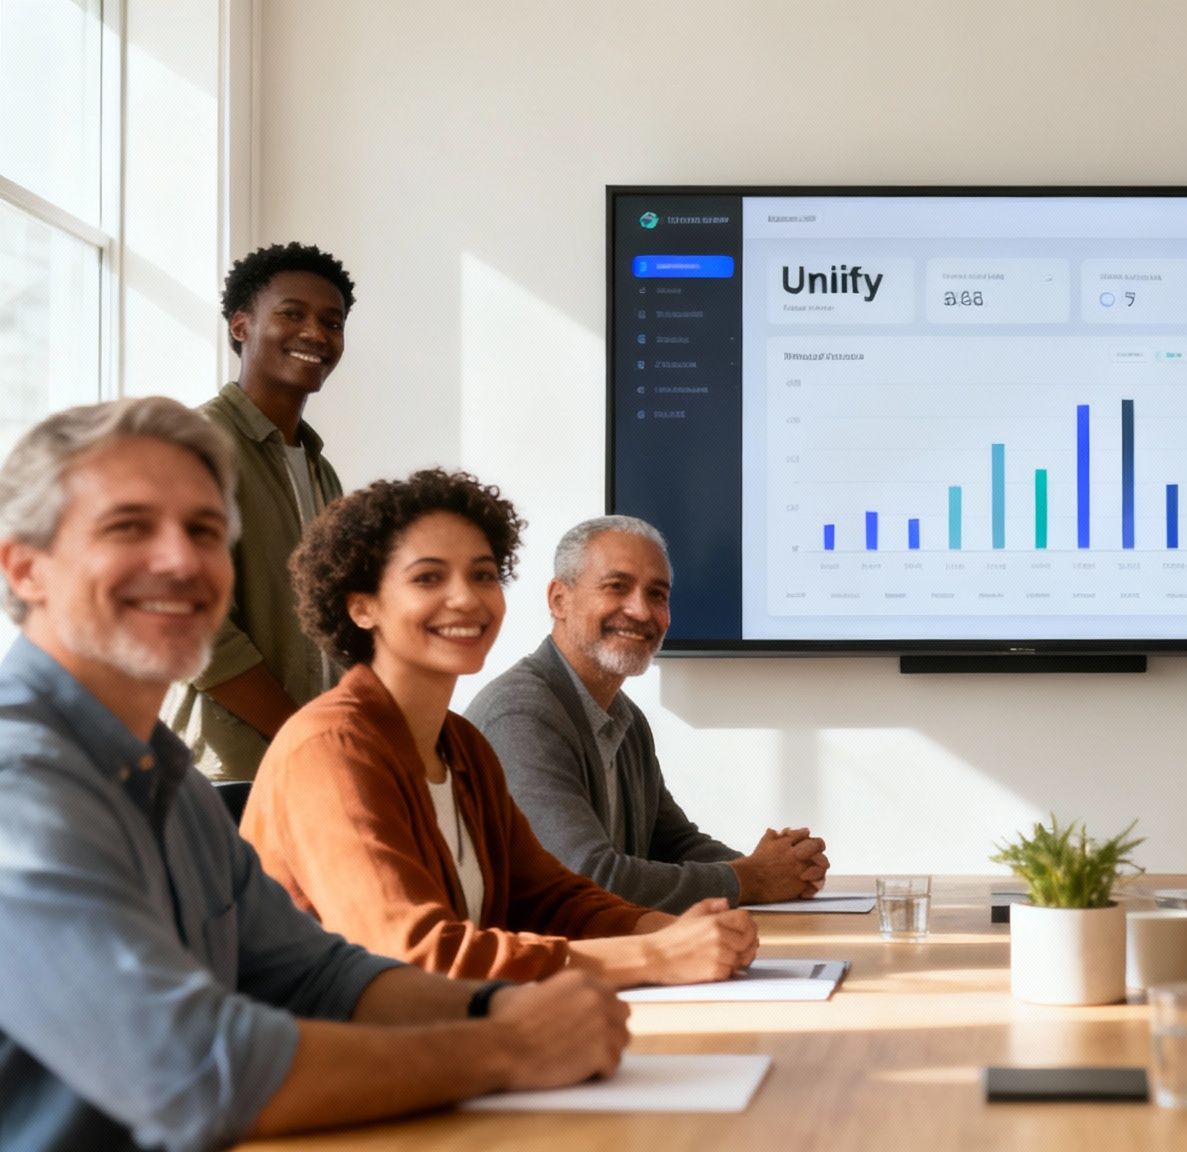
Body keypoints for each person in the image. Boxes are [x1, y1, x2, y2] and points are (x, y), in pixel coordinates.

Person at [0, 399, 629, 1151]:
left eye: (204, 531)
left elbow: (322, 977)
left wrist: (495, 1012)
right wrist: (508, 1048)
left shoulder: (167, 777)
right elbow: (192, 1071)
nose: (181, 560)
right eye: (128, 526)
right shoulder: (21, 783)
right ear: (25, 568)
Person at [241, 470, 760, 984]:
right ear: (362, 605)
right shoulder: (329, 749)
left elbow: (551, 898)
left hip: (442, 1038)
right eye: (428, 577)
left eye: (483, 575)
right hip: (328, 1056)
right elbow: (414, 953)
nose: (466, 598)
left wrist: (670, 930)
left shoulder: (463, 746)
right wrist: (653, 956)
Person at [469, 516, 829, 911]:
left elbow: (673, 844)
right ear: (559, 599)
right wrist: (753, 878)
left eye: (657, 595)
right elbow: (586, 879)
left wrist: (780, 868)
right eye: (616, 587)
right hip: (536, 967)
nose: (641, 611)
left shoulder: (626, 718)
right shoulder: (521, 716)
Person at [163, 243, 357, 782]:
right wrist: (303, 732)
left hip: (307, 766)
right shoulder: (197, 445)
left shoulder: (321, 471)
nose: (317, 333)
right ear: (242, 325)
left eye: (332, 322)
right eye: (292, 313)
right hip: (225, 774)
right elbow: (192, 626)